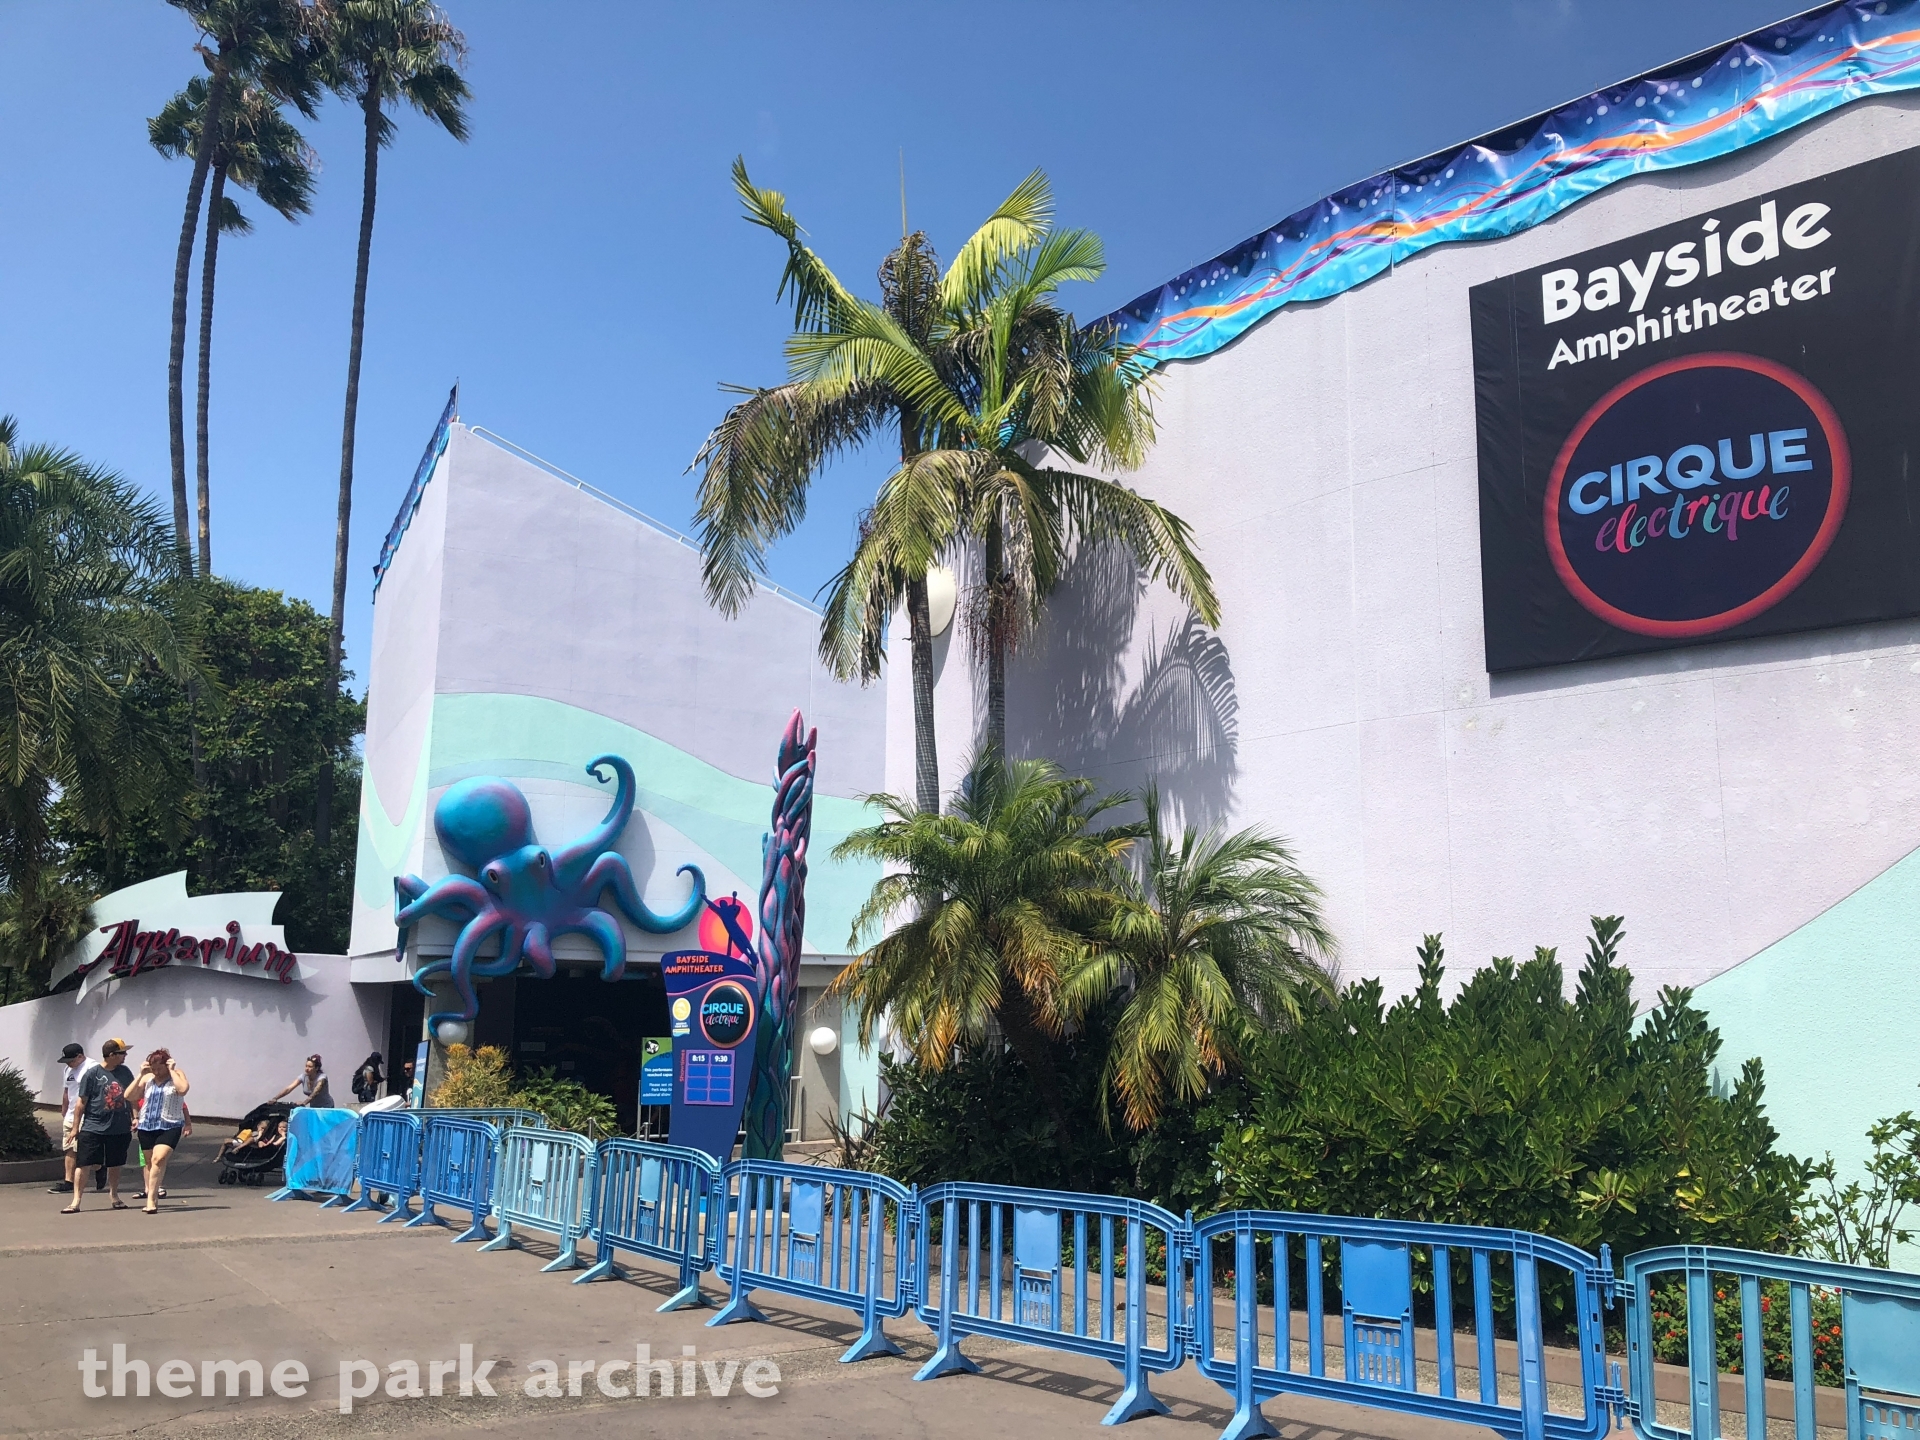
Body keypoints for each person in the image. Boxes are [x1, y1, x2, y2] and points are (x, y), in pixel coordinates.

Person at [63, 1039, 134, 1213]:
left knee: (115, 1163)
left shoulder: (125, 1072)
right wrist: (75, 1127)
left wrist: (136, 1117)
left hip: (119, 1127)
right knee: (83, 1163)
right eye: (122, 1053)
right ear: (111, 1055)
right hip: (93, 1126)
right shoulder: (92, 1074)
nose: (125, 1056)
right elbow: (81, 1102)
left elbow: (132, 1096)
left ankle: (114, 1195)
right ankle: (76, 1201)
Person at [126, 1049, 190, 1215]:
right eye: (153, 1068)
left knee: (158, 1159)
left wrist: (172, 1070)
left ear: (166, 1065)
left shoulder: (177, 1074)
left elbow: (183, 1089)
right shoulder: (147, 1078)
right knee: (151, 1164)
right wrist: (140, 1074)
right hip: (147, 1125)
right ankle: (152, 1192)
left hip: (170, 1124)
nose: (156, 1072)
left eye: (159, 1068)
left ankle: (151, 1200)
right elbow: (129, 1096)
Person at [47, 1043, 87, 1195]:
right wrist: (64, 1109)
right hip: (70, 1114)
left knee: (85, 1149)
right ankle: (68, 1181)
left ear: (80, 1056)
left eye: (71, 1060)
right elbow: (67, 1090)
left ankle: (99, 1167)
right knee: (69, 1147)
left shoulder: (91, 1068)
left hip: (86, 1115)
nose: (68, 1064)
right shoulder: (68, 1069)